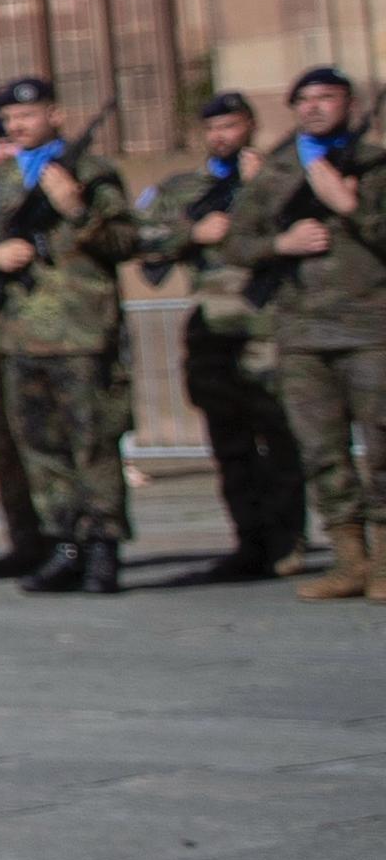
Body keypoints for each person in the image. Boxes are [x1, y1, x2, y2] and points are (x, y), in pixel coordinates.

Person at [0, 73, 138, 593]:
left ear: (56, 116)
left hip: (83, 334)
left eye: (29, 115)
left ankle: (103, 547)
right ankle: (63, 544)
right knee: (40, 449)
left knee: (94, 445)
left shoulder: (92, 172)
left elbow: (128, 241)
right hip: (19, 337)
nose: (18, 125)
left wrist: (77, 211)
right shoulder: (0, 183)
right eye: (11, 118)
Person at [142, 95, 303, 583]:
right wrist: (192, 233)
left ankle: (286, 540)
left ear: (250, 126)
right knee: (229, 443)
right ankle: (247, 541)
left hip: (268, 323)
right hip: (213, 328)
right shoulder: (182, 187)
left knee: (279, 438)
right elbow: (145, 245)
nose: (221, 136)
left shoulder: (281, 176)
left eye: (230, 125)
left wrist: (259, 194)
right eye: (212, 127)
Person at [241, 67, 381, 601]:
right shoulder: (276, 172)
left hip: (371, 329)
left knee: (383, 446)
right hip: (301, 334)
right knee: (322, 451)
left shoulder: (374, 165)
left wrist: (351, 207)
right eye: (304, 99)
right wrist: (283, 245)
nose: (315, 107)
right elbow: (237, 243)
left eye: (326, 97)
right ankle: (349, 559)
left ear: (349, 103)